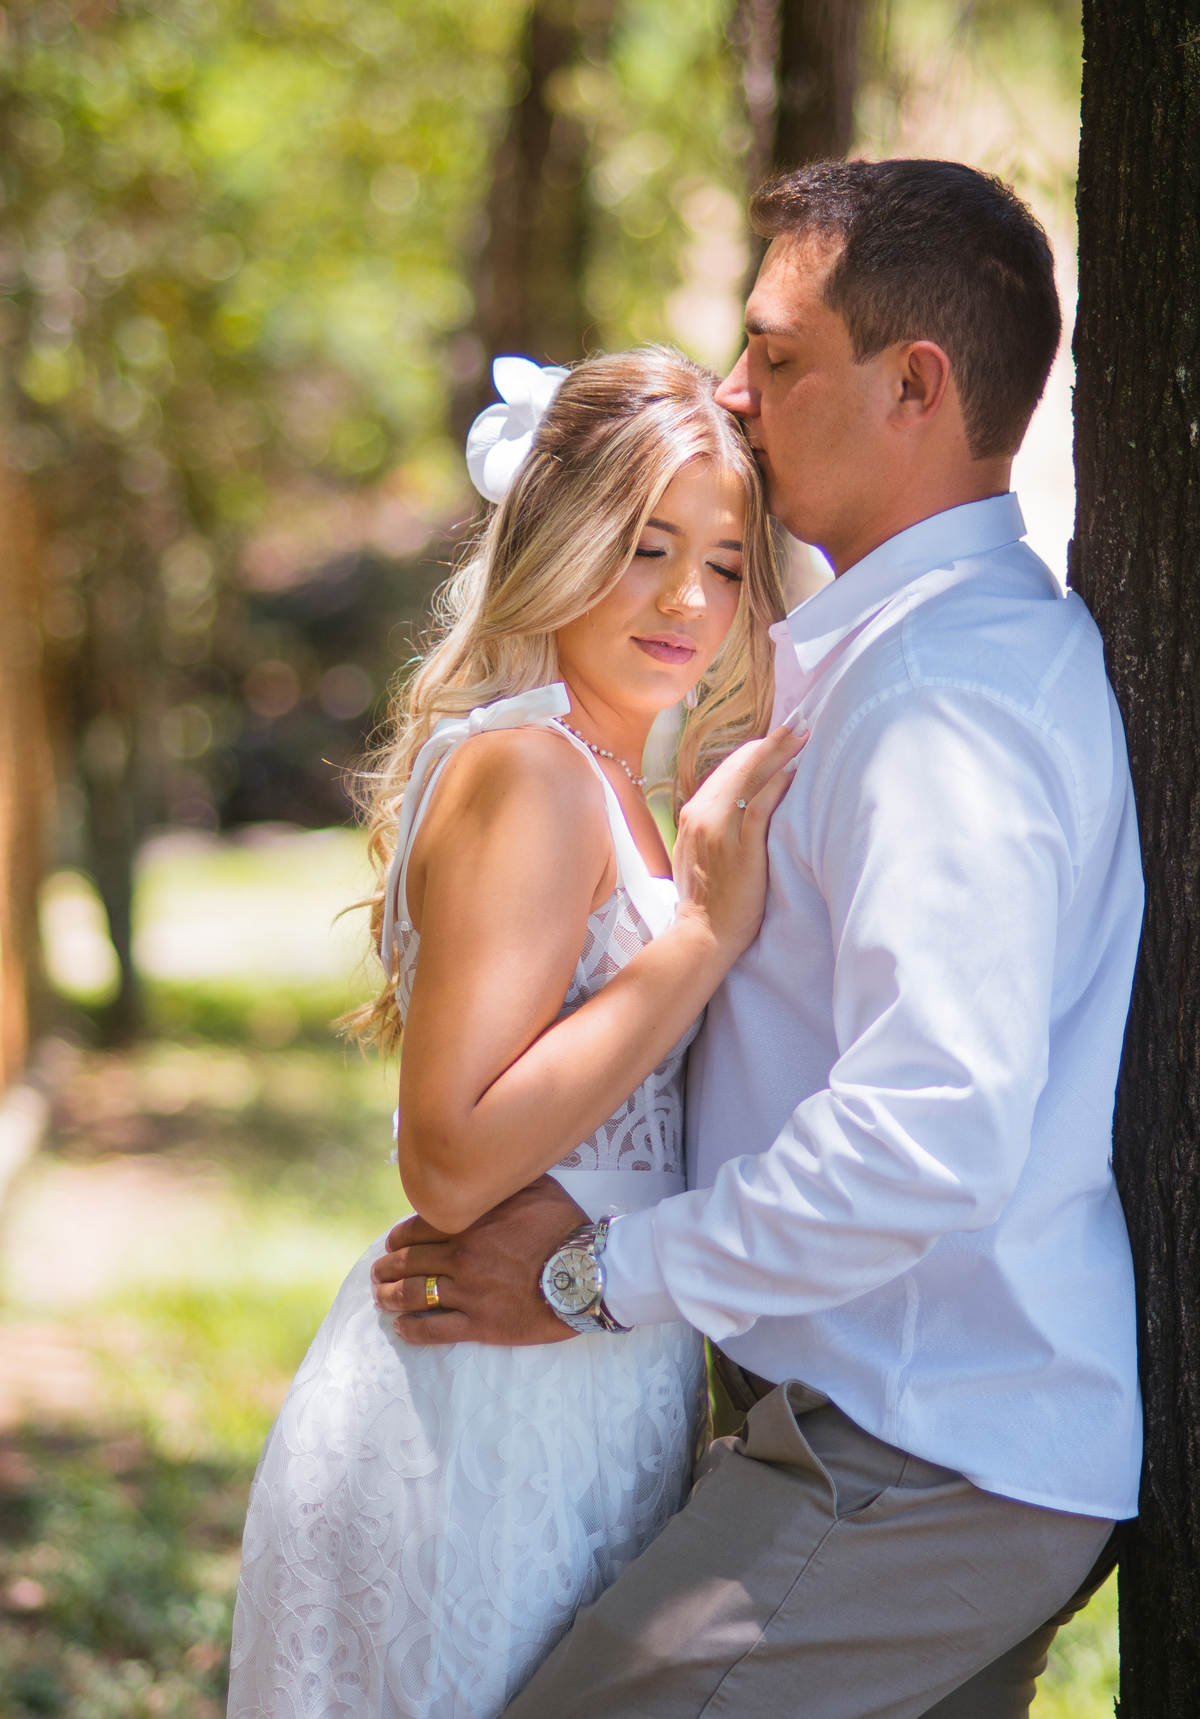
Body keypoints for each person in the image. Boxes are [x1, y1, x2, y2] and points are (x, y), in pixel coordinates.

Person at [373, 159, 1144, 1718]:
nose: (736, 388)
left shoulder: (947, 704)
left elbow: (927, 1134)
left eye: (779, 355)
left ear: (913, 385)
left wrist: (597, 1280)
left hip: (913, 1452)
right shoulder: (896, 661)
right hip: (889, 1430)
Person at [227, 346, 806, 1719]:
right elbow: (451, 1158)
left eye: (726, 564)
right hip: (482, 1409)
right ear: (555, 537)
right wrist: (703, 945)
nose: (687, 598)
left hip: (577, 1377)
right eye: (645, 544)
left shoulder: (610, 774)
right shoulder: (533, 770)